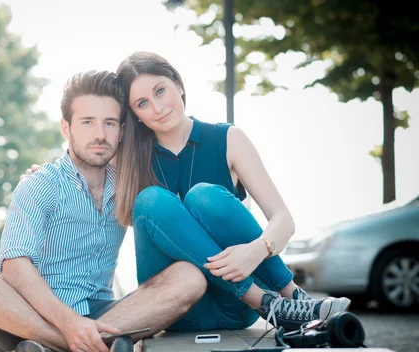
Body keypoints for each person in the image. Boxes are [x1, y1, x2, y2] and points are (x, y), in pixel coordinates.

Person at [0, 70, 207, 352]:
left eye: (109, 123)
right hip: (29, 318)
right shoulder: (40, 185)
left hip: (104, 315)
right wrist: (68, 324)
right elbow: (14, 267)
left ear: (121, 131)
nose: (99, 134)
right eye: (87, 122)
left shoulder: (127, 188)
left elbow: (170, 218)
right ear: (66, 128)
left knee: (189, 277)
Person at [112, 51, 351, 333]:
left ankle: (294, 299)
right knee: (151, 200)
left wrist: (256, 251)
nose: (157, 107)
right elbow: (82, 167)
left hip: (238, 310)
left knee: (204, 197)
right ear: (135, 115)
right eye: (142, 103)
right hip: (180, 307)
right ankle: (270, 305)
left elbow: (283, 219)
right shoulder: (130, 159)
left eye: (160, 91)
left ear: (178, 84)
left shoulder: (228, 139)